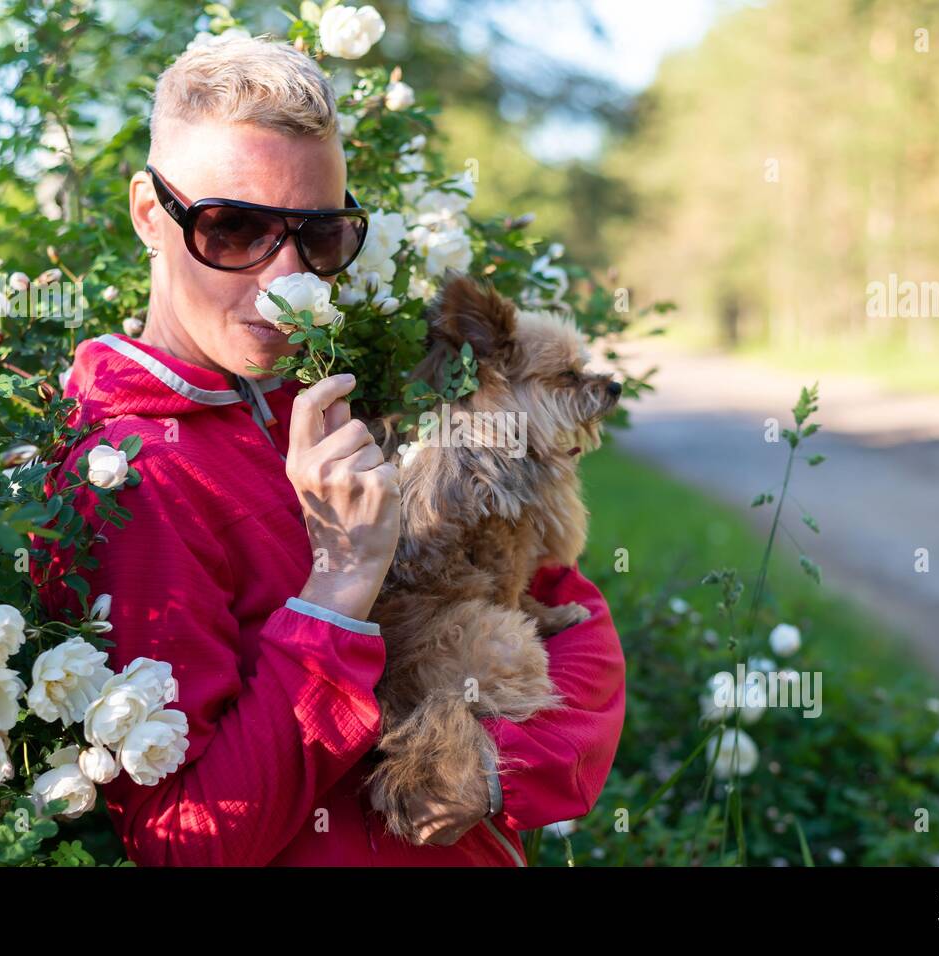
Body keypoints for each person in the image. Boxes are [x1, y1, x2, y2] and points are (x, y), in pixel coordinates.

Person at [35, 34, 625, 866]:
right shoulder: (131, 478)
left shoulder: (340, 387)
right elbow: (190, 840)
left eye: (319, 237)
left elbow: (561, 606)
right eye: (233, 228)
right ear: (147, 214)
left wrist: (495, 769)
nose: (287, 282)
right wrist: (338, 589)